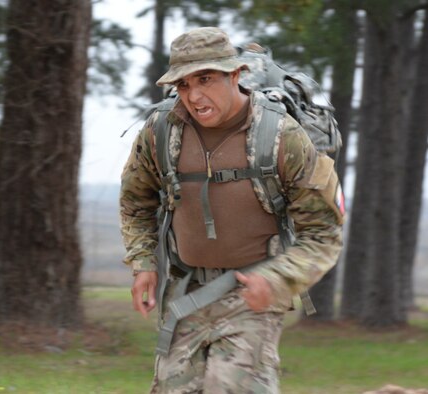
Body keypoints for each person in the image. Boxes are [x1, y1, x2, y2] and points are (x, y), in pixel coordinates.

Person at [119, 26, 344, 393]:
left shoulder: (280, 136)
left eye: (205, 79)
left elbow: (324, 232)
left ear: (235, 75)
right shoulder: (161, 131)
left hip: (252, 296)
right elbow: (135, 200)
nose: (194, 95)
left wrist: (277, 279)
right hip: (185, 291)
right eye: (183, 85)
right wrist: (143, 263)